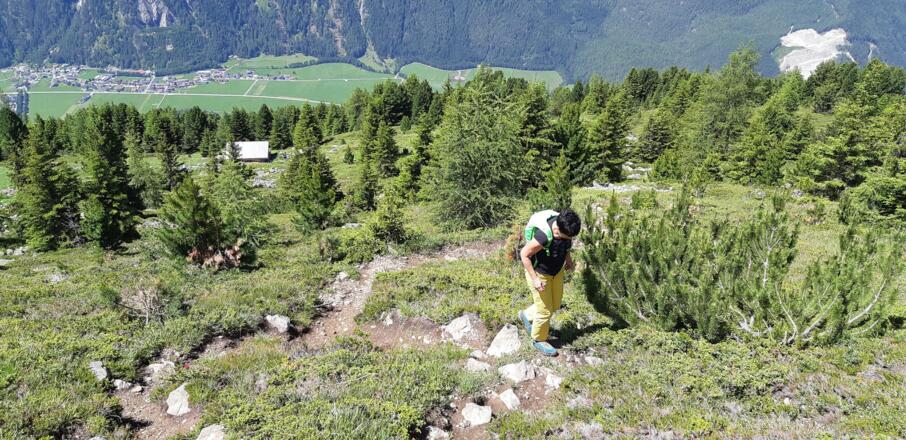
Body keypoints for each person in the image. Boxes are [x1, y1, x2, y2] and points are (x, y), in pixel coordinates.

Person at [518, 208, 581, 356]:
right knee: (545, 311)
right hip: (540, 274)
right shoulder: (543, 236)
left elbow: (565, 248)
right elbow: (524, 255)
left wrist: (569, 262)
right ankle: (538, 339)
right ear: (558, 229)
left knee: (555, 304)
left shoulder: (567, 230)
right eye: (568, 236)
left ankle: (526, 315)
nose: (569, 239)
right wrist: (535, 280)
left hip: (556, 271)